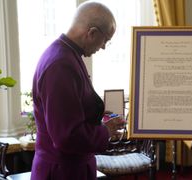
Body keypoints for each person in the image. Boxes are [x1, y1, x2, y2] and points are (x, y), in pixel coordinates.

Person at [31, 1, 125, 180]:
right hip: (63, 171)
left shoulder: (66, 53)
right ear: (92, 33)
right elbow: (66, 136)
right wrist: (106, 131)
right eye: (105, 40)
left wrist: (94, 113)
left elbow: (69, 109)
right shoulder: (60, 64)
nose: (104, 46)